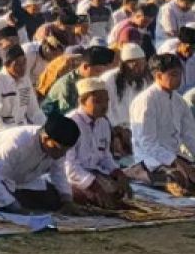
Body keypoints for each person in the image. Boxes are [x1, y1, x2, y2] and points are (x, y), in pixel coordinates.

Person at [0, 114, 81, 214]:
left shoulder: (57, 150)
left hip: (19, 180)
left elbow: (58, 174)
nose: (61, 155)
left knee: (54, 200)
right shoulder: (16, 144)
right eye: (58, 149)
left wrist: (67, 201)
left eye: (65, 151)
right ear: (44, 138)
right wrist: (16, 208)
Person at [128, 53, 195, 196]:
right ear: (158, 76)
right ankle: (136, 174)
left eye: (179, 74)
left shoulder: (179, 101)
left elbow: (189, 136)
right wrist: (174, 161)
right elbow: (147, 142)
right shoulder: (146, 101)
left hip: (175, 156)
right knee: (179, 181)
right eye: (173, 75)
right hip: (151, 161)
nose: (179, 79)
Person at [65, 77, 131, 209]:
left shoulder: (104, 123)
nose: (104, 106)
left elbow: (105, 156)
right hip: (75, 177)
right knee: (94, 197)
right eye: (98, 101)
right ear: (82, 101)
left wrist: (117, 172)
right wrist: (94, 185)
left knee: (121, 191)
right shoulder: (70, 124)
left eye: (106, 101)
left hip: (95, 173)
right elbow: (69, 166)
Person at [0, 45, 45, 136]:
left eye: (24, 63)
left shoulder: (25, 80)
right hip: (1, 135)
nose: (22, 68)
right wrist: (12, 135)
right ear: (6, 64)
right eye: (17, 64)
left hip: (22, 131)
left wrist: (46, 127)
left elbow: (34, 112)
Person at [41, 45, 116, 117]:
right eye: (97, 71)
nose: (99, 76)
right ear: (85, 67)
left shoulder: (93, 82)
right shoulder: (67, 84)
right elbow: (68, 115)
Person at [101, 43, 147, 158]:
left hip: (134, 129)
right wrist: (119, 131)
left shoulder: (142, 81)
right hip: (111, 129)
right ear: (124, 65)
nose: (139, 69)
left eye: (141, 64)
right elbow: (104, 112)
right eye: (134, 64)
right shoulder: (109, 80)